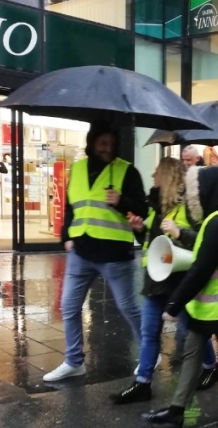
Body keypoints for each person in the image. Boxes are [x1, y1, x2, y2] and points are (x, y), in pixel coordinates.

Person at [142, 166, 218, 428]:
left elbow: (200, 269)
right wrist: (181, 233)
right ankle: (177, 409)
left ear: (210, 190)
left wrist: (174, 305)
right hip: (213, 307)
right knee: (193, 352)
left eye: (198, 189)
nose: (196, 196)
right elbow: (203, 249)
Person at [44, 121, 148, 382]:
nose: (107, 148)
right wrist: (66, 236)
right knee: (69, 306)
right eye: (102, 143)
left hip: (114, 253)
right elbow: (71, 207)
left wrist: (121, 201)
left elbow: (143, 211)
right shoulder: (77, 169)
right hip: (81, 251)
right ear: (91, 143)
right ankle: (74, 361)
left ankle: (150, 353)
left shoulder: (127, 172)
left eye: (111, 144)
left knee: (128, 308)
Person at [110, 159, 218, 404]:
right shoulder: (156, 205)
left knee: (187, 330)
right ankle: (143, 383)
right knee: (149, 332)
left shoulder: (190, 208)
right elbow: (151, 240)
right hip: (155, 280)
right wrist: (139, 229)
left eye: (157, 171)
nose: (153, 175)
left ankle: (210, 366)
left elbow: (204, 240)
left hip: (179, 282)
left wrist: (180, 232)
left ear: (169, 175)